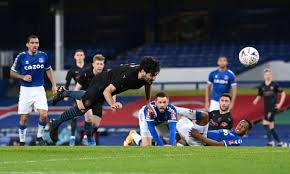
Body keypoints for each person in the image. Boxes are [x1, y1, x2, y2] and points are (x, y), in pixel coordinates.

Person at [49, 56, 160, 142]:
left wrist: (148, 103)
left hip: (106, 85)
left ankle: (63, 93)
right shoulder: (128, 76)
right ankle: (55, 122)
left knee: (85, 101)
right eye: (152, 75)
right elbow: (107, 91)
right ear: (143, 71)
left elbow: (148, 85)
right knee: (82, 108)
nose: (154, 78)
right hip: (101, 83)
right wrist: (112, 103)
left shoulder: (146, 77)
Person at [10, 35, 57, 146]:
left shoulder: (43, 56)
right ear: (27, 44)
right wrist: (23, 77)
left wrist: (54, 85)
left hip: (39, 89)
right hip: (26, 91)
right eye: (32, 43)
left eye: (36, 43)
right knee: (24, 118)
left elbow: (48, 70)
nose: (35, 45)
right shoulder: (21, 57)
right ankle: (22, 141)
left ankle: (39, 137)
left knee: (44, 114)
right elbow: (12, 73)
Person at [55, 54, 106, 146]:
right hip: (84, 98)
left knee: (95, 124)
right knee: (86, 116)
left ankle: (86, 137)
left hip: (98, 100)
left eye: (101, 64)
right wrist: (77, 100)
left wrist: (113, 101)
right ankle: (75, 138)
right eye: (98, 64)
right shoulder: (85, 72)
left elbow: (111, 88)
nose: (99, 66)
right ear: (93, 64)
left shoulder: (106, 74)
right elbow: (77, 87)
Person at [60, 49, 89, 146]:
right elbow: (67, 83)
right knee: (74, 115)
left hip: (89, 94)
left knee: (88, 116)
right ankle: (72, 137)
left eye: (81, 55)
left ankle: (86, 137)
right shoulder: (72, 69)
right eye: (78, 55)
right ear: (75, 57)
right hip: (78, 95)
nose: (80, 57)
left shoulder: (89, 67)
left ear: (84, 56)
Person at [176, 111, 252, 146]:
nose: (240, 127)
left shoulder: (237, 139)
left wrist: (200, 137)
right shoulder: (230, 131)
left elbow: (219, 144)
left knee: (181, 118)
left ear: (246, 131)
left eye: (243, 127)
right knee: (183, 120)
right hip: (200, 135)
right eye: (240, 124)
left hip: (202, 138)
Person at [252, 68, 286, 147]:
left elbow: (283, 93)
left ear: (271, 75)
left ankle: (271, 142)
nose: (268, 76)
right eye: (266, 75)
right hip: (266, 108)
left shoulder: (274, 85)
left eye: (269, 74)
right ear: (264, 76)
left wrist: (280, 104)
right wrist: (256, 100)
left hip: (272, 108)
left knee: (265, 124)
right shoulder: (262, 86)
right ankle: (279, 143)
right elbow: (260, 94)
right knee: (271, 127)